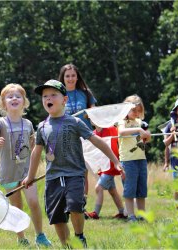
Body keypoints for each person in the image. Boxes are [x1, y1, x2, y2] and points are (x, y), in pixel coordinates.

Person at [22, 80, 124, 248]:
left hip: (74, 174)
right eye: (45, 96)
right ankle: (67, 246)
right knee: (56, 217)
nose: (49, 98)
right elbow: (36, 153)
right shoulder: (42, 127)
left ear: (65, 100)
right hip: (53, 177)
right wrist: (30, 176)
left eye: (53, 95)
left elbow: (97, 140)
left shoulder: (74, 122)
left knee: (75, 205)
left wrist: (115, 161)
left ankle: (79, 236)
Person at [0, 83, 51, 247]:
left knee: (34, 202)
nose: (14, 99)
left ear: (24, 101)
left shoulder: (28, 124)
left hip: (26, 172)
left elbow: (35, 146)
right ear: (3, 103)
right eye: (10, 96)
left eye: (18, 96)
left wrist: (46, 153)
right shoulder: (0, 123)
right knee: (17, 207)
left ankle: (40, 235)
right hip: (8, 174)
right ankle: (21, 237)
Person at [58, 63, 97, 199]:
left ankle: (82, 202)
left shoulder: (86, 93)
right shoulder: (58, 95)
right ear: (62, 78)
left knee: (84, 170)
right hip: (66, 137)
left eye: (73, 75)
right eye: (67, 76)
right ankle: (69, 199)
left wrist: (93, 118)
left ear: (77, 77)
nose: (70, 78)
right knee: (69, 169)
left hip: (85, 137)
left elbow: (95, 115)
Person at [117, 94, 151, 222]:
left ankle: (142, 215)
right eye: (133, 110)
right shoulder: (122, 121)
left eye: (138, 111)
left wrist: (147, 134)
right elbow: (121, 132)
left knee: (141, 189)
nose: (136, 113)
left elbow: (147, 139)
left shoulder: (140, 122)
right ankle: (131, 215)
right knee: (129, 189)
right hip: (128, 160)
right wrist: (138, 130)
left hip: (141, 159)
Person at [84, 125, 126, 220]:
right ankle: (122, 212)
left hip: (111, 166)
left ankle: (96, 213)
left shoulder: (110, 129)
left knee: (99, 188)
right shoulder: (93, 134)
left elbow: (119, 132)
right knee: (112, 191)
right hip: (103, 167)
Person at [162, 98, 178, 201]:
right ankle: (177, 208)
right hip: (175, 158)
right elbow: (166, 144)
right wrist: (166, 162)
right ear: (176, 110)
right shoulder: (170, 125)